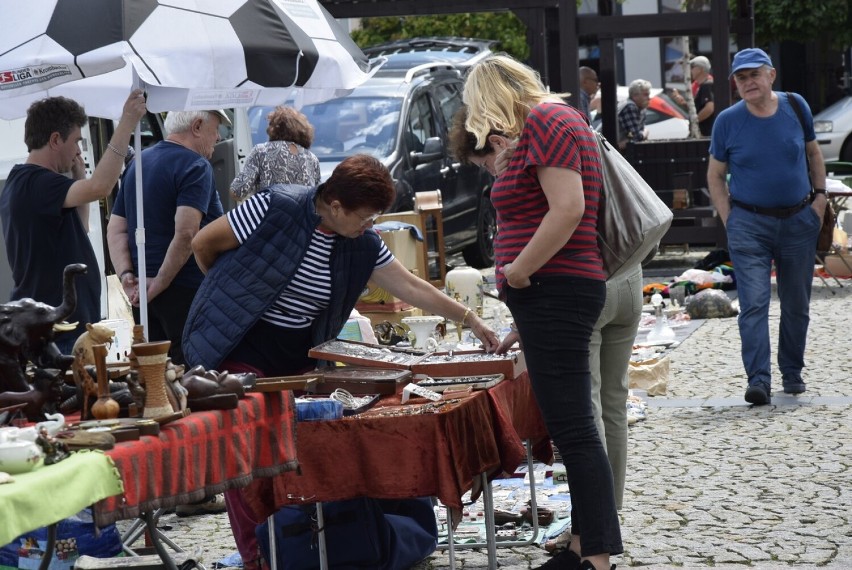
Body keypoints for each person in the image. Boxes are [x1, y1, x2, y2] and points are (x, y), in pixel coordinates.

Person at [182, 153, 499, 569]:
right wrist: (230, 296)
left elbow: (410, 285)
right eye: (365, 216)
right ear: (334, 205)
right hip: (237, 345)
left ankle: (291, 542)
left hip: (296, 353)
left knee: (293, 449)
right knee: (248, 448)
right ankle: (255, 554)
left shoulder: (361, 244)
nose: (370, 225)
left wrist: (470, 319)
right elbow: (203, 244)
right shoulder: (273, 206)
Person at [449, 103, 640, 567]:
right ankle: (587, 546)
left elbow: (568, 209)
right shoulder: (550, 125)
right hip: (558, 293)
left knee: (577, 429)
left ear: (493, 141)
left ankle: (594, 555)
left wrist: (516, 272)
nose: (491, 179)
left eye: (485, 169)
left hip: (555, 291)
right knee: (581, 425)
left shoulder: (545, 124)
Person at [707, 47, 827, 405]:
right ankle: (758, 379)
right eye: (741, 78)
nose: (748, 82)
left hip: (798, 220)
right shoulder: (727, 121)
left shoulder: (795, 106)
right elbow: (714, 175)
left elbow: (813, 153)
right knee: (754, 303)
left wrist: (819, 200)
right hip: (749, 223)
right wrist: (731, 220)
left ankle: (792, 371)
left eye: (754, 74)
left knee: (796, 304)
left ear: (771, 75)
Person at [0, 92, 148, 354]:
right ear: (55, 139)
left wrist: (78, 175)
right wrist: (127, 121)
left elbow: (79, 227)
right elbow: (101, 187)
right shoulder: (38, 184)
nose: (80, 150)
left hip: (59, 325)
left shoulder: (27, 182)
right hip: (55, 330)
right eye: (77, 141)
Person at [107, 110, 228, 367]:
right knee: (192, 375)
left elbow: (116, 228)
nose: (218, 137)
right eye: (215, 129)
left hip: (142, 293)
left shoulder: (137, 163)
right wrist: (159, 282)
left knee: (154, 375)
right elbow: (186, 234)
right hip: (185, 291)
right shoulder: (195, 165)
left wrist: (127, 277)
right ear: (196, 126)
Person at [229, 106, 321, 201]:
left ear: (273, 129)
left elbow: (237, 191)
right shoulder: (312, 159)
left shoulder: (261, 151)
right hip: (301, 215)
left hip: (270, 214)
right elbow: (317, 199)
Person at [671, 55, 715, 136]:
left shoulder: (707, 85)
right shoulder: (702, 85)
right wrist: (684, 103)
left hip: (706, 133)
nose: (690, 70)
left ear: (699, 69)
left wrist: (694, 121)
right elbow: (699, 107)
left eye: (692, 67)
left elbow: (709, 108)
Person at [617, 78, 652, 149]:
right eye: (646, 95)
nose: (649, 98)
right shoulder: (630, 107)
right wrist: (646, 132)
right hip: (606, 148)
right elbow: (635, 137)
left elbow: (632, 136)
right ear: (635, 96)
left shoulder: (640, 108)